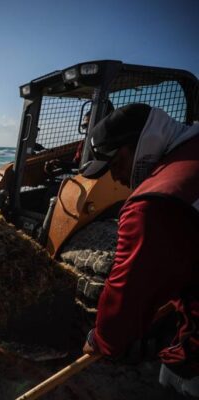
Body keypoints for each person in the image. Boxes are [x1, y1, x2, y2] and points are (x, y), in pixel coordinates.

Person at [80, 103, 199, 397]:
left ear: (135, 148)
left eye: (116, 165)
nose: (117, 178)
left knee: (175, 377)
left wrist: (103, 338)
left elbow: (129, 286)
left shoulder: (154, 202)